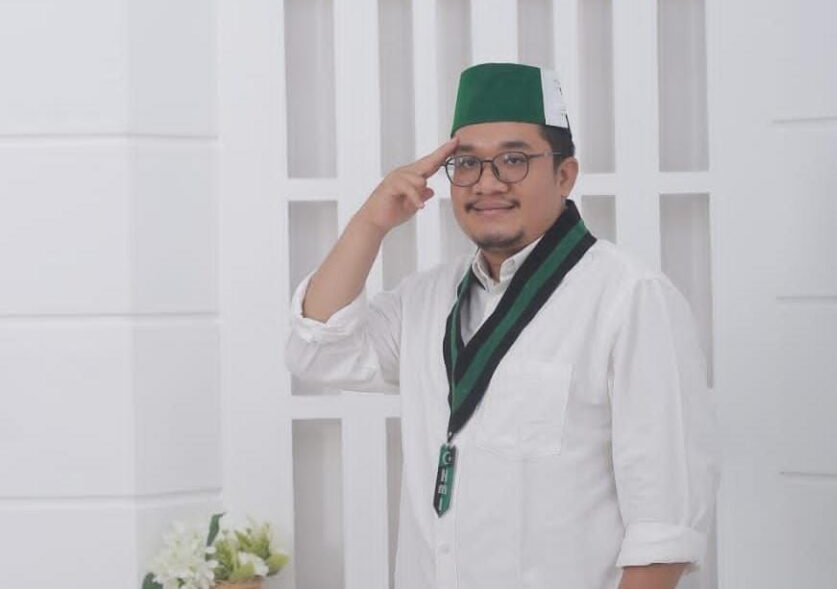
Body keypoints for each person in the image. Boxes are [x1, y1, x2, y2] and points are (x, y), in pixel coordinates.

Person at [285, 62, 720, 589]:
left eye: (514, 160)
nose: (487, 183)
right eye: (467, 163)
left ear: (564, 175)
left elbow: (663, 526)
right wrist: (372, 220)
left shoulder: (630, 298)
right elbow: (318, 350)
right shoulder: (427, 299)